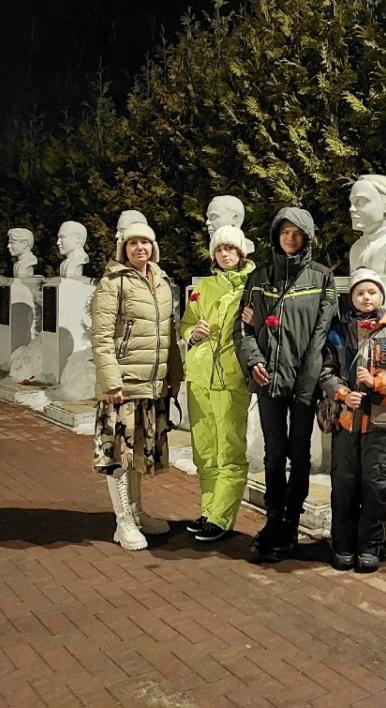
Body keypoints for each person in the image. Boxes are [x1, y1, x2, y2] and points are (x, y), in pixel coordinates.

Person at [234, 207, 336, 562]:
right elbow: (242, 328)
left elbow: (322, 334)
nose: (290, 238)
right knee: (274, 454)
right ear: (276, 235)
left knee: (300, 453)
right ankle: (273, 519)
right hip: (268, 379)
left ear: (306, 237)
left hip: (304, 380)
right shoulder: (260, 277)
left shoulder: (321, 277)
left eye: (296, 233)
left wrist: (309, 379)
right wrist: (254, 361)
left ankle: (291, 523)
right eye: (284, 232)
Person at [90, 220, 183, 551]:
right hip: (124, 385)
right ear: (123, 248)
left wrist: (174, 376)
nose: (139, 248)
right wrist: (111, 381)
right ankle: (123, 521)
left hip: (152, 384)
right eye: (133, 243)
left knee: (139, 452)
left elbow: (169, 333)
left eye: (145, 242)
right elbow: (101, 337)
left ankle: (137, 512)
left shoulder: (161, 281)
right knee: (118, 454)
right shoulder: (112, 282)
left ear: (153, 247)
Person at [320, 267, 386, 572]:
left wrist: (377, 382)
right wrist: (342, 394)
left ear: (380, 296)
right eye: (359, 292)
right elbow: (326, 372)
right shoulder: (338, 333)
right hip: (345, 422)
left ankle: (370, 546)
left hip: (379, 424)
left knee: (376, 485)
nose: (366, 297)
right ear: (351, 298)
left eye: (372, 292)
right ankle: (343, 545)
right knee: (344, 484)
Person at [178, 225, 255, 542]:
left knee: (229, 450)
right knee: (205, 450)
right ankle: (209, 511)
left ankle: (221, 518)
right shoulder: (204, 287)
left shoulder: (252, 286)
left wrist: (256, 322)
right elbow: (185, 324)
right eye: (220, 249)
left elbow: (266, 328)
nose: (225, 254)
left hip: (230, 378)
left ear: (241, 252)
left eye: (231, 249)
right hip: (199, 377)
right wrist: (191, 334)